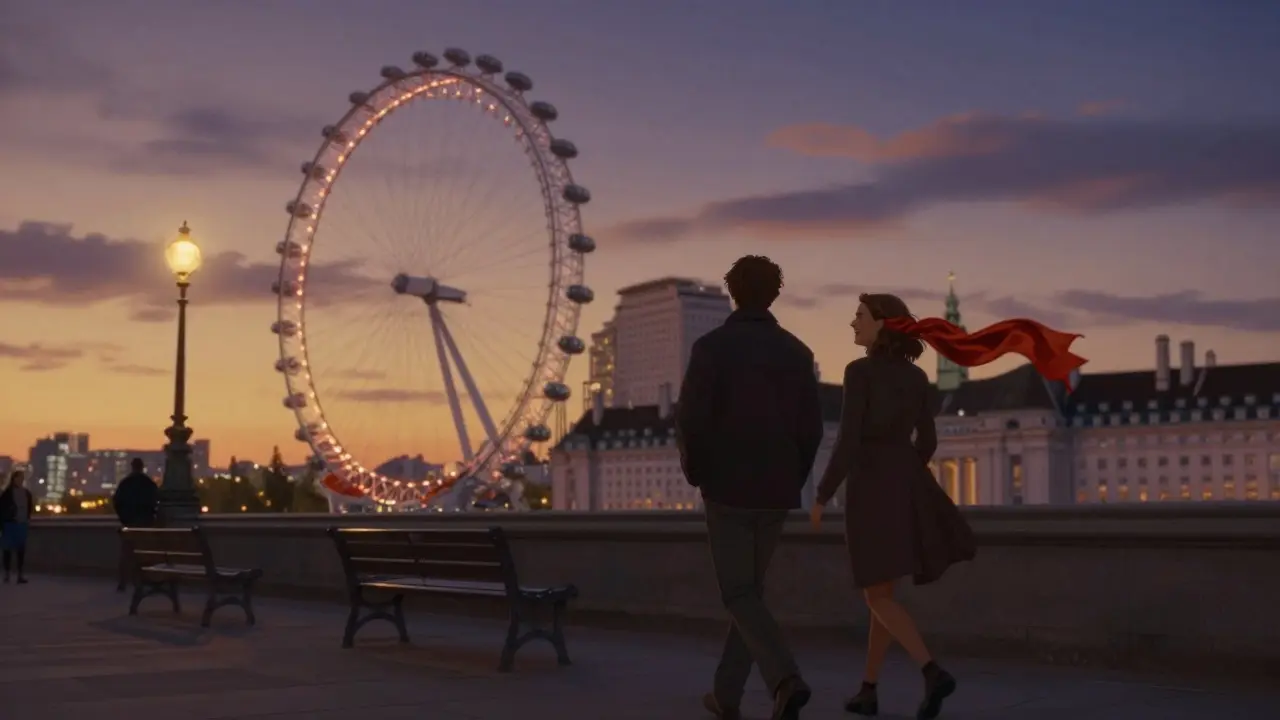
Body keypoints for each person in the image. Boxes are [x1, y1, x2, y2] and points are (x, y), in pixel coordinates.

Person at [810, 293, 1086, 720]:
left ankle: (931, 670)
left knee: (876, 595)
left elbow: (847, 442)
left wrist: (823, 493)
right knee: (881, 593)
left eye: (860, 317)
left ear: (883, 324)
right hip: (903, 484)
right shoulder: (918, 380)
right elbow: (930, 442)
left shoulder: (859, 372)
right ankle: (868, 690)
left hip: (868, 489)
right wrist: (904, 472)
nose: (852, 324)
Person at [677, 255, 825, 720]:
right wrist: (793, 478)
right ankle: (726, 696)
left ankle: (785, 679)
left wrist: (697, 472)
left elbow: (690, 421)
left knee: (738, 594)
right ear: (775, 293)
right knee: (750, 594)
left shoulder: (711, 349)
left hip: (727, 489)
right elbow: (812, 430)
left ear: (733, 292)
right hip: (777, 491)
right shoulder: (798, 353)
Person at [112, 458, 159, 591]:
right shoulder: (148, 483)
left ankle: (123, 582)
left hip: (130, 524)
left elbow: (117, 502)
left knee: (126, 553)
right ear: (142, 467)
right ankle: (145, 580)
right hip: (145, 524)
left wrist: (124, 519)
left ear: (132, 467)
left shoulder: (125, 483)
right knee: (146, 553)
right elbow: (155, 501)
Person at [1, 468, 35, 584]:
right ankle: (7, 574)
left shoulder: (26, 493)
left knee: (21, 550)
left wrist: (27, 519)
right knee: (7, 550)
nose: (20, 480)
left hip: (22, 524)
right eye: (18, 478)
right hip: (10, 524)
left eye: (22, 478)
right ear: (13, 479)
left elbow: (30, 508)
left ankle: (20, 574)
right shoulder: (7, 493)